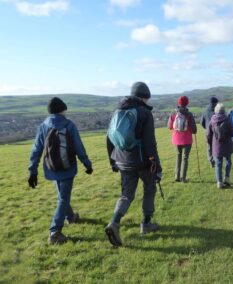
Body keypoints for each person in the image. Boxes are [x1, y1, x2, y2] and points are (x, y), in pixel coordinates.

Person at [28, 97, 93, 244]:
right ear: (62, 110)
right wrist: (87, 164)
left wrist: (33, 170)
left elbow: (36, 150)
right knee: (63, 198)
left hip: (51, 168)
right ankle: (54, 232)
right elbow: (78, 147)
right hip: (68, 167)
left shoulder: (43, 126)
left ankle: (70, 217)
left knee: (62, 196)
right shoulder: (69, 125)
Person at [105, 82, 162, 247]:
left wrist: (113, 161)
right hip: (142, 161)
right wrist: (157, 167)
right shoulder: (144, 113)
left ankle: (114, 222)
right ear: (145, 97)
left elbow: (108, 138)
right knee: (150, 189)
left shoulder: (118, 111)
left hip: (122, 160)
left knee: (126, 195)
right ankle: (146, 223)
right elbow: (150, 143)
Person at [168, 96, 197, 182]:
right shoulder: (189, 114)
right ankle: (183, 178)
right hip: (187, 139)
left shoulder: (173, 113)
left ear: (178, 103)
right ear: (187, 103)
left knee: (178, 157)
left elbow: (169, 126)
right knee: (185, 158)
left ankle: (177, 177)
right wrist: (193, 131)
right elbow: (194, 130)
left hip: (176, 139)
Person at [207, 103, 233, 189]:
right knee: (228, 161)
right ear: (224, 111)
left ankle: (219, 182)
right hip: (227, 144)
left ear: (216, 111)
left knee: (218, 164)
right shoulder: (228, 119)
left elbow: (208, 134)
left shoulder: (212, 120)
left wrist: (210, 143)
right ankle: (226, 178)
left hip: (216, 146)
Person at [200, 97, 219, 167]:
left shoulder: (205, 111)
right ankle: (216, 160)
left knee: (209, 147)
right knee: (217, 146)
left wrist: (207, 128)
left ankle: (211, 160)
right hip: (216, 132)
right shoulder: (217, 111)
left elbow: (201, 122)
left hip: (208, 133)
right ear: (215, 103)